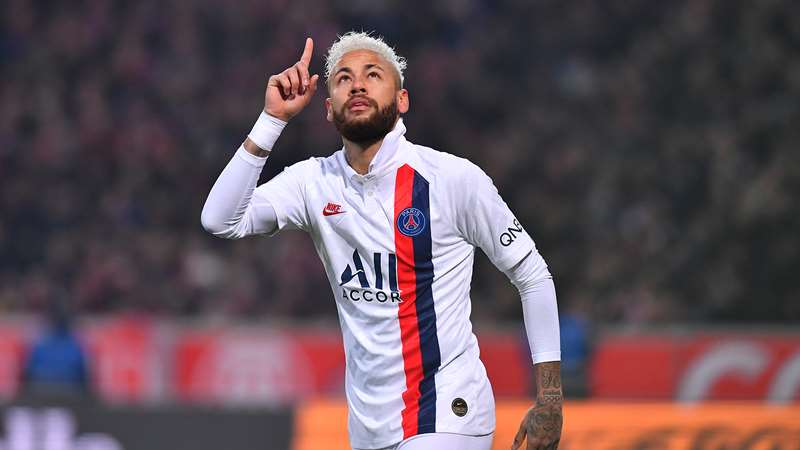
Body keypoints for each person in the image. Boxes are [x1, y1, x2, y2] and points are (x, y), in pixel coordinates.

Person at [201, 32, 562, 450]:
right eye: (344, 78)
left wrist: (550, 400)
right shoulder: (314, 182)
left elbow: (532, 275)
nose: (357, 85)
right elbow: (220, 219)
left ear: (402, 99)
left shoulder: (452, 179)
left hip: (447, 411)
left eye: (373, 75)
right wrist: (271, 120)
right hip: (369, 427)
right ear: (328, 108)